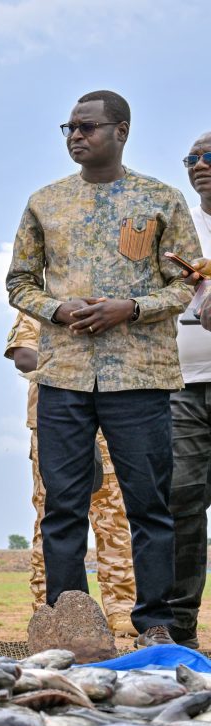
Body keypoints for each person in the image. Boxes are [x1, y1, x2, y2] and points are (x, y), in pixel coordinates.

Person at [6, 90, 199, 647]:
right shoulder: (46, 202)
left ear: (121, 131)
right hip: (63, 376)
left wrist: (129, 308)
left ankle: (155, 624)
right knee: (62, 508)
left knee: (149, 506)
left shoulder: (160, 200)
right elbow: (19, 283)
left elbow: (186, 283)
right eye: (69, 127)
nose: (76, 136)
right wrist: (57, 309)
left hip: (139, 376)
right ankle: (69, 625)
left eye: (87, 127)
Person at [5, 311, 138, 636]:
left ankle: (122, 610)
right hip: (54, 423)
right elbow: (23, 356)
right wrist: (79, 368)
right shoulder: (42, 305)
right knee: (53, 518)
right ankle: (51, 610)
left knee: (114, 518)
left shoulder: (112, 305)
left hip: (111, 422)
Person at [168, 131, 211, 647]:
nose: (199, 165)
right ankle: (180, 633)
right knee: (181, 505)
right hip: (182, 386)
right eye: (192, 158)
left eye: (210, 156)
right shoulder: (178, 226)